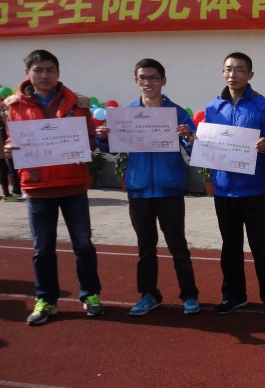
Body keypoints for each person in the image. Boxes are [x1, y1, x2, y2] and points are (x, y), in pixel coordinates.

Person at [3, 49, 104, 325]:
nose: (44, 75)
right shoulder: (14, 106)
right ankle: (46, 299)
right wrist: (9, 149)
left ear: (58, 73)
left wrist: (86, 146)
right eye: (38, 70)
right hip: (37, 187)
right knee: (43, 248)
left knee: (83, 245)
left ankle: (91, 295)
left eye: (50, 70)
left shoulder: (77, 104)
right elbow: (12, 141)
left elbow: (91, 141)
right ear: (28, 73)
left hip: (73, 184)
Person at [95, 58, 200, 316]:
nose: (148, 82)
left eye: (153, 77)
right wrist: (104, 138)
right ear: (136, 81)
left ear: (163, 81)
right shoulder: (125, 113)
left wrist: (188, 136)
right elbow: (112, 148)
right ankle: (149, 294)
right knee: (145, 247)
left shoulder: (177, 113)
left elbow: (194, 148)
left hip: (169, 189)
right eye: (143, 77)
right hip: (139, 188)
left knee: (177, 245)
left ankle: (189, 295)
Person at [205, 52, 265, 318]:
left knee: (263, 247)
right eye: (228, 69)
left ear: (250, 75)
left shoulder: (263, 106)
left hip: (255, 189)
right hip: (224, 189)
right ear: (222, 73)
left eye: (239, 70)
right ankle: (233, 296)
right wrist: (193, 141)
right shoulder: (213, 108)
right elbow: (207, 144)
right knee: (230, 247)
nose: (233, 74)